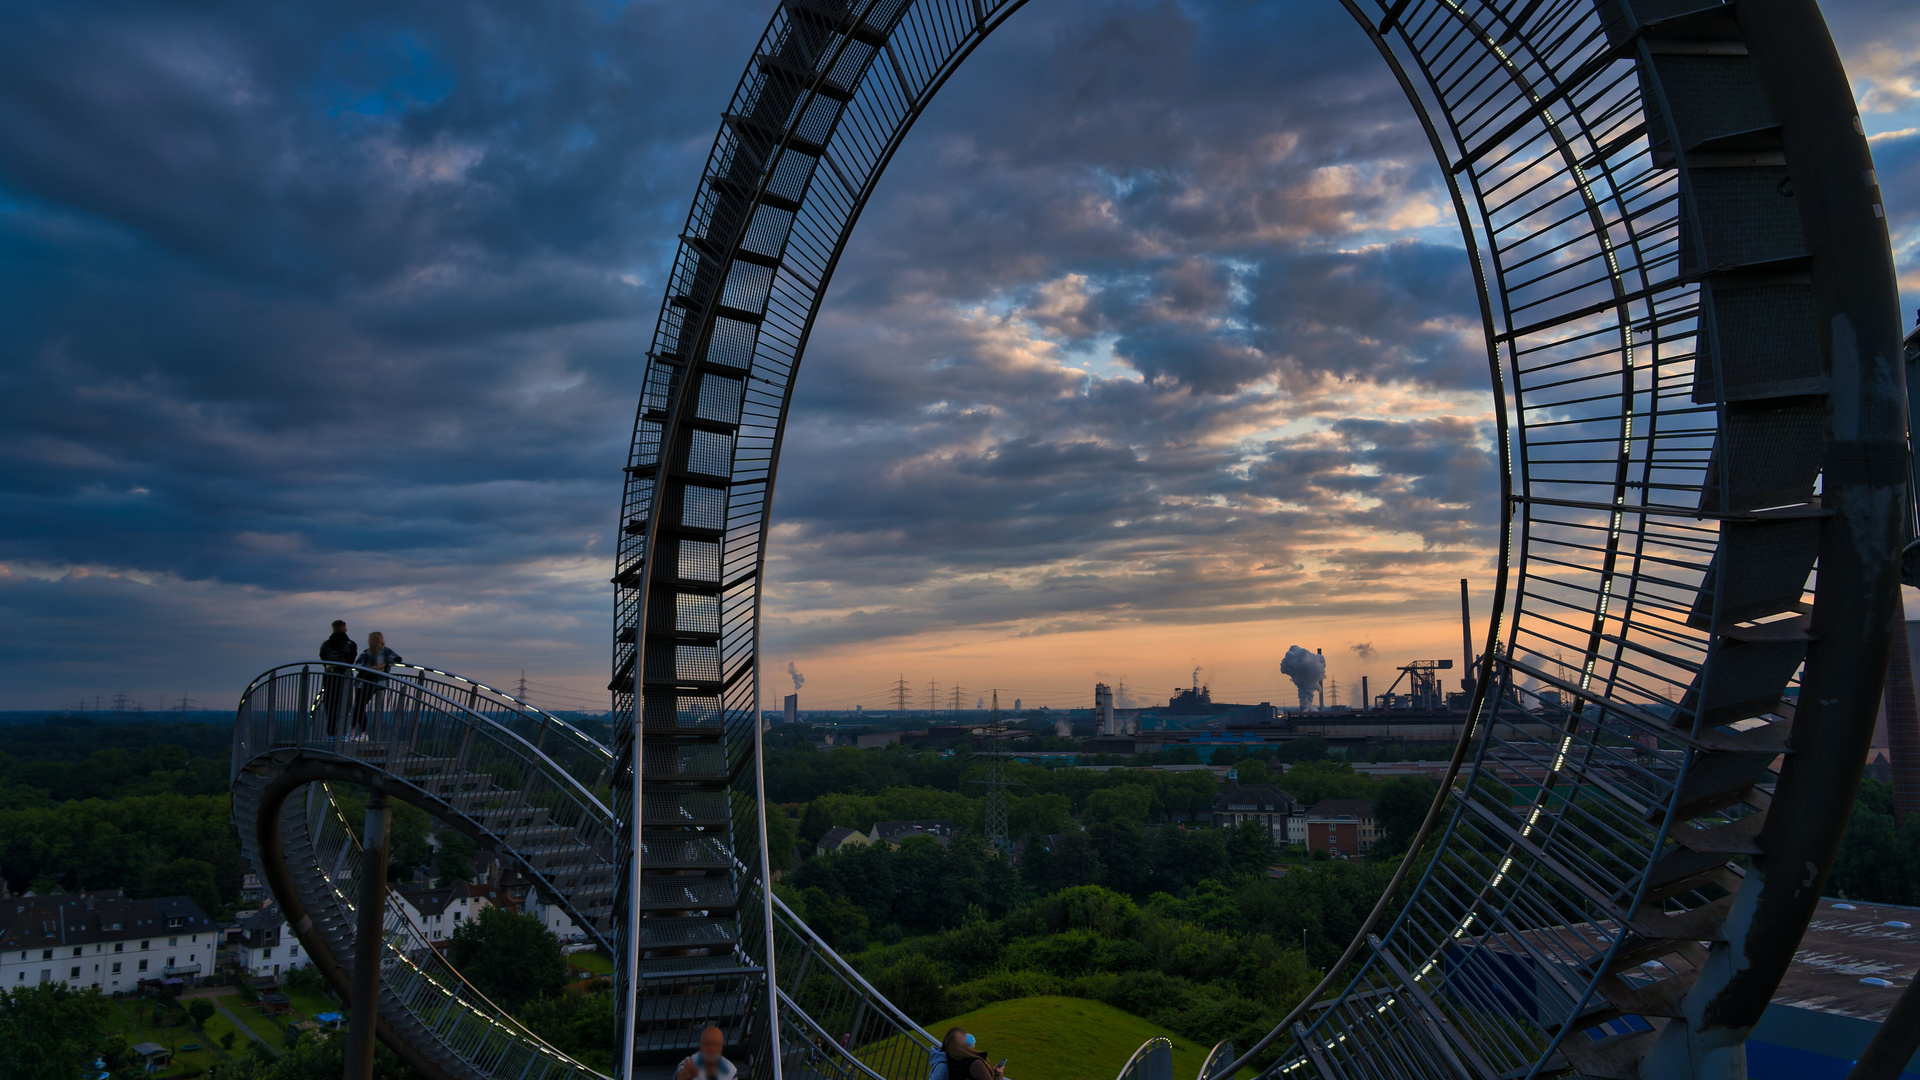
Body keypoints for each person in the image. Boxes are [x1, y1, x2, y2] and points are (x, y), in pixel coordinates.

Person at [350, 631, 402, 739]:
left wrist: (384, 665)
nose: (370, 642)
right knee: (358, 705)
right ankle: (356, 731)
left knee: (360, 705)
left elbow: (398, 659)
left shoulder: (386, 651)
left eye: (372, 639)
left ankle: (359, 732)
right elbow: (358, 664)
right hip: (362, 681)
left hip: (375, 682)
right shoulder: (366, 652)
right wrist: (371, 667)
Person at [319, 620, 357, 735]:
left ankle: (331, 732)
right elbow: (351, 660)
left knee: (330, 704)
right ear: (345, 629)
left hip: (330, 676)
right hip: (345, 677)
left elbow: (323, 658)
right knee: (345, 704)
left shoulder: (326, 644)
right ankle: (343, 732)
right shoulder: (350, 644)